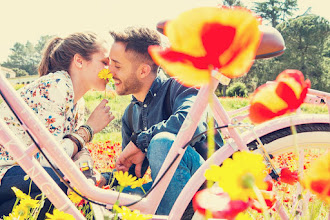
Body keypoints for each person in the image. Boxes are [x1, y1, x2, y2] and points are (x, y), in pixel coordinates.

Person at [107, 27, 223, 217]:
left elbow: (191, 123)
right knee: (112, 199)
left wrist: (140, 141)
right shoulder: (130, 114)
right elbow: (132, 171)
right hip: (171, 193)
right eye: (110, 63)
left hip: (210, 185)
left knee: (162, 142)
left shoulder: (180, 86)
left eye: (117, 66)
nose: (110, 71)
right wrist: (104, 180)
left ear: (143, 70)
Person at [0, 32, 114, 218]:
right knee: (63, 185)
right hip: (5, 171)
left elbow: (71, 152)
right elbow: (49, 162)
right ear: (79, 61)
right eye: (104, 62)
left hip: (23, 176)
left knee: (90, 185)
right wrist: (88, 129)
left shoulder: (78, 101)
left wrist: (90, 174)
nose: (111, 70)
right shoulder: (56, 86)